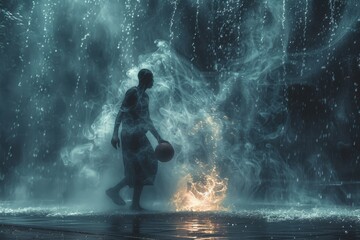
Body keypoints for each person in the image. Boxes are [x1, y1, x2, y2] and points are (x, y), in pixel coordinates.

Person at [106, 69, 166, 210]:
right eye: (151, 78)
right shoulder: (132, 92)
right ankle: (126, 199)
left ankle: (124, 197)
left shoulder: (145, 97)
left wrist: (158, 138)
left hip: (139, 135)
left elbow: (147, 119)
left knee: (149, 165)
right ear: (145, 79)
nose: (153, 81)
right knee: (137, 169)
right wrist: (115, 134)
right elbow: (121, 112)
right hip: (129, 135)